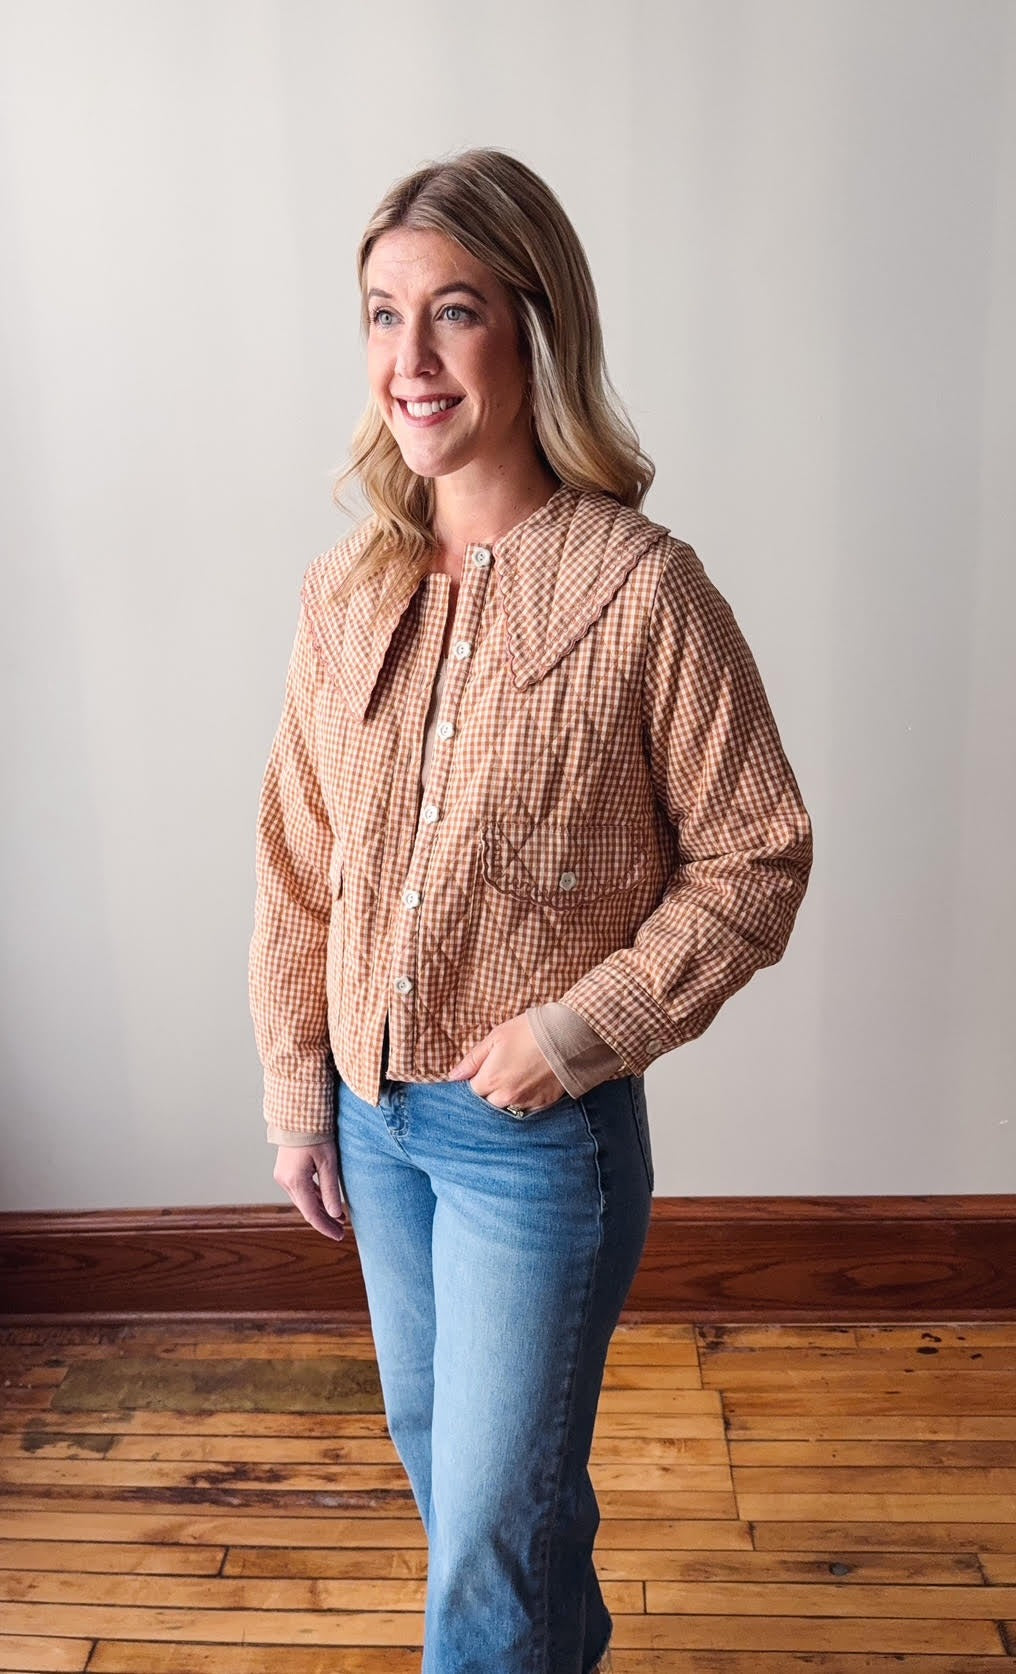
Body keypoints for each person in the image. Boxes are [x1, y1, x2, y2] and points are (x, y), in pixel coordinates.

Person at [249, 146, 813, 1674]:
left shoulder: (644, 593)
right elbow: (300, 859)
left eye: (454, 313)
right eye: (381, 315)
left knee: (489, 1530)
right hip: (376, 1122)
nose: (408, 360)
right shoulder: (344, 590)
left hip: (532, 1146)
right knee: (476, 1492)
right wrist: (301, 1089)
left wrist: (579, 1027)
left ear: (535, 325)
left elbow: (757, 852)